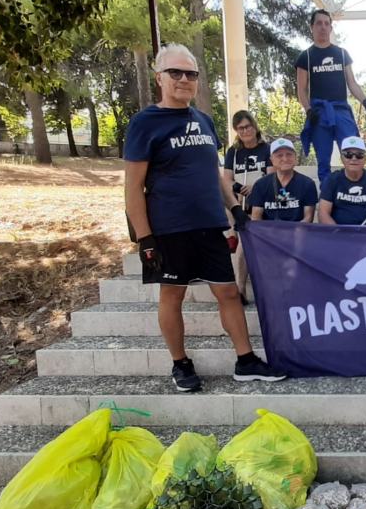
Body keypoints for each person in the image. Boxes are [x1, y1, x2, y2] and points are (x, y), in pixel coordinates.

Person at [123, 43, 286, 391]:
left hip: (209, 225)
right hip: (168, 228)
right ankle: (180, 364)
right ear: (160, 78)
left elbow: (214, 174)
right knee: (173, 296)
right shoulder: (145, 123)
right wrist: (144, 237)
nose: (184, 79)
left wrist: (236, 210)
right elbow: (133, 186)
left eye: (191, 74)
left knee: (228, 293)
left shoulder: (204, 120)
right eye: (176, 73)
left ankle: (246, 360)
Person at [296, 9, 366, 183]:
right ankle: (326, 197)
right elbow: (301, 89)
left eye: (326, 23)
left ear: (331, 28)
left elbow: (352, 83)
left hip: (341, 110)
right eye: (319, 23)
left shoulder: (341, 53)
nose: (323, 27)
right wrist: (308, 110)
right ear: (312, 27)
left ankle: (356, 191)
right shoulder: (306, 56)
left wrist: (364, 100)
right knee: (323, 160)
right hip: (319, 112)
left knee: (352, 151)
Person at [223, 110, 272, 302]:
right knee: (224, 197)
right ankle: (232, 235)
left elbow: (270, 174)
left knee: (246, 237)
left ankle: (240, 287)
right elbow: (227, 178)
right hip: (239, 198)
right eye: (240, 128)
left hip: (259, 197)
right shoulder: (233, 152)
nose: (245, 131)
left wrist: (255, 187)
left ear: (254, 125)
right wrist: (236, 187)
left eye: (248, 126)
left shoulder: (265, 148)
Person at [318, 136, 366, 226]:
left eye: (359, 155)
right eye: (348, 154)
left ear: (365, 158)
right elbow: (323, 213)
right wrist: (337, 231)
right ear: (342, 158)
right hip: (337, 234)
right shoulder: (331, 180)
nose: (354, 158)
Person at [249, 138, 318, 222]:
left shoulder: (307, 184)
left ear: (295, 157)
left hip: (298, 232)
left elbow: (308, 218)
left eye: (289, 154)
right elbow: (256, 218)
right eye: (279, 155)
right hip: (268, 233)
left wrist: (295, 234)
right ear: (272, 159)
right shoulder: (260, 185)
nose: (285, 159)